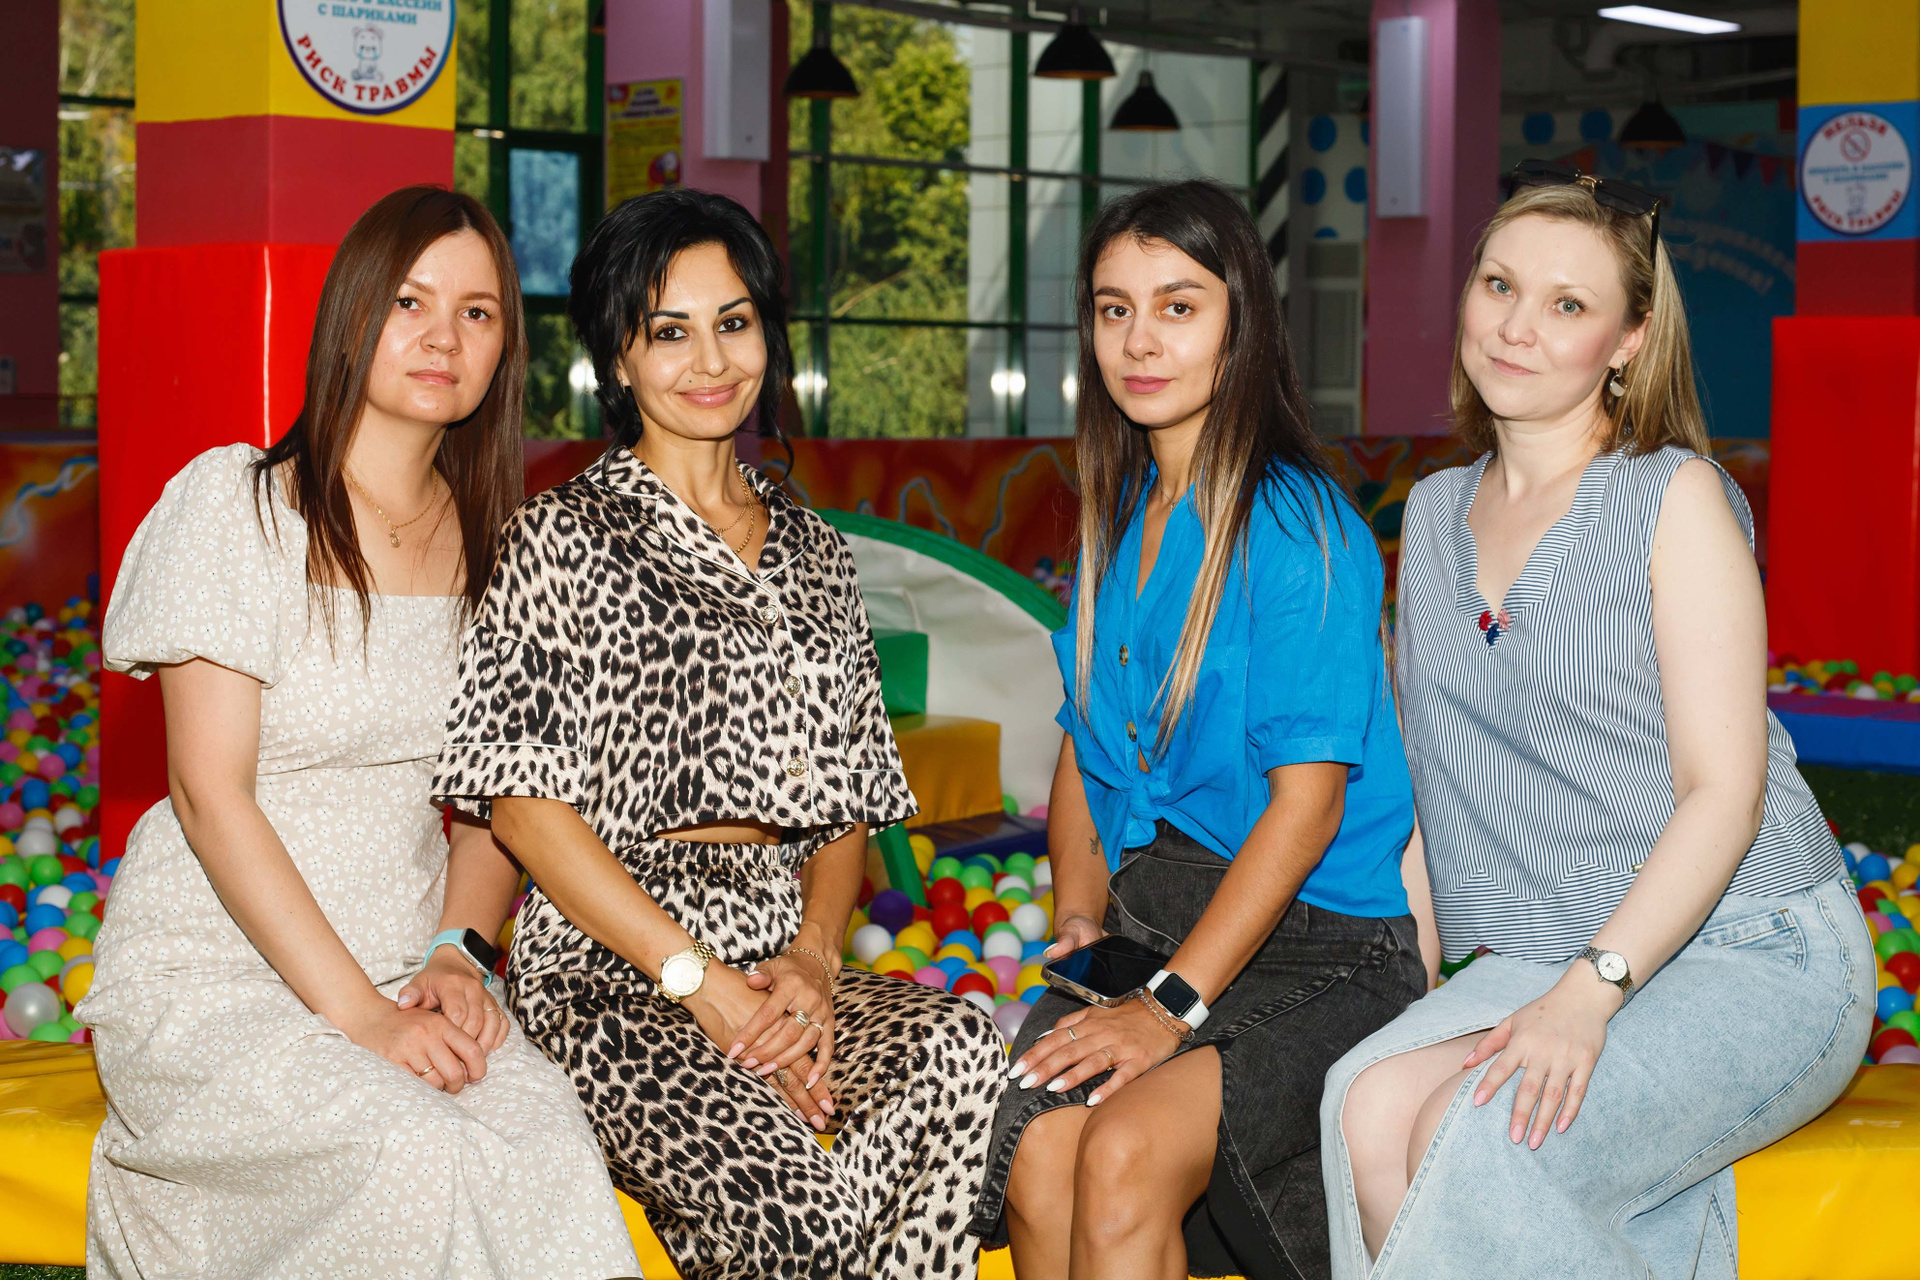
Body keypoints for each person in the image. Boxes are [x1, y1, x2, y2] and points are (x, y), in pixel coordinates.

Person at [429, 187, 1007, 1280]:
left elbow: (845, 801)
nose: (710, 360)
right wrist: (702, 983)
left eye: (733, 322)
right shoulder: (561, 537)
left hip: (779, 948)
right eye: (668, 331)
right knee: (805, 1213)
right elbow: (525, 811)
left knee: (956, 1048)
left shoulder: (815, 550)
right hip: (612, 967)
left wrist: (815, 959)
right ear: (618, 360)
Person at [1323, 164, 1873, 1280]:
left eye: (1567, 304)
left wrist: (1590, 992)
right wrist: (1404, 984)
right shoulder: (1432, 514)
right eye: (1498, 285)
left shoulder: (1675, 497)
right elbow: (1432, 787)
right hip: (1541, 948)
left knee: (1484, 1134)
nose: (1517, 326)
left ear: (1628, 340)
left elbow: (1726, 792)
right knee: (1361, 1102)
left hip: (1750, 949)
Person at [79, 186, 640, 1280]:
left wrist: (458, 951)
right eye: (409, 301)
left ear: (505, 351)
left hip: (407, 960)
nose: (444, 336)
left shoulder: (504, 548)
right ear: (351, 316)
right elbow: (208, 794)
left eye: (478, 313)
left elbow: (494, 799)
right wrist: (361, 1018)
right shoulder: (240, 506)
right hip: (220, 969)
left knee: (545, 1149)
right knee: (417, 1153)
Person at [968, 179, 1430, 1280]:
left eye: (1178, 306)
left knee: (1124, 1153)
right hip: (1157, 919)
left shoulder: (1298, 524)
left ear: (1241, 323)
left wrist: (1168, 1007)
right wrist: (1079, 911)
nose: (1140, 340)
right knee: (1040, 1151)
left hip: (1319, 941)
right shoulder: (1122, 519)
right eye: (1114, 308)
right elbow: (1084, 748)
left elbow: (1308, 805)